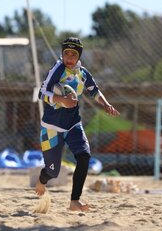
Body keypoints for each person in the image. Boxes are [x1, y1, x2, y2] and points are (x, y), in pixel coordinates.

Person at [35, 37, 120, 211]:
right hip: (51, 127)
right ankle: (42, 180)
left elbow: (94, 91)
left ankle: (74, 201)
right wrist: (61, 100)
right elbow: (41, 93)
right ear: (62, 54)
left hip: (73, 124)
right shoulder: (58, 69)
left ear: (78, 56)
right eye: (66, 53)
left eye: (73, 54)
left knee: (84, 157)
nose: (69, 57)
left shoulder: (83, 73)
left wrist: (106, 104)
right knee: (52, 172)